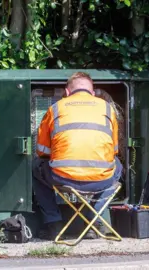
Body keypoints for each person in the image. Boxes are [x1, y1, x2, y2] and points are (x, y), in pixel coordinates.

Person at [32, 72, 123, 240]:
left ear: (67, 92)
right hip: (100, 180)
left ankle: (54, 224)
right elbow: (115, 149)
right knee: (118, 167)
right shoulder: (107, 108)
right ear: (93, 93)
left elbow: (42, 150)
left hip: (62, 178)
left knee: (36, 168)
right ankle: (92, 221)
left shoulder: (56, 108)